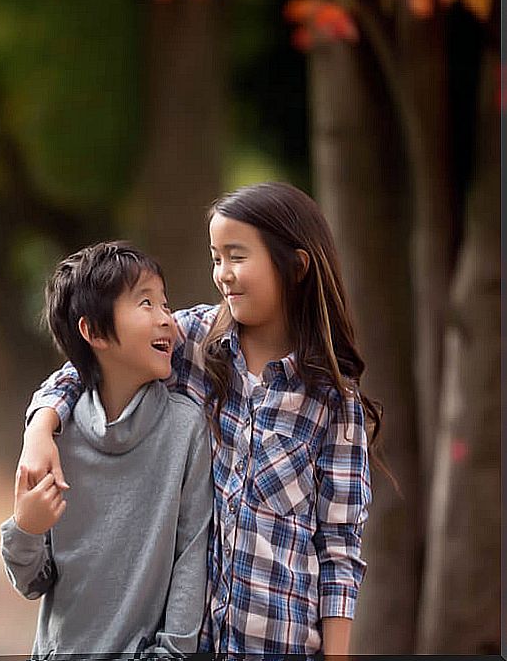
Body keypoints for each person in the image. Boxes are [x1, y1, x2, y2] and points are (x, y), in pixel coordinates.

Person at [19, 182, 380, 657]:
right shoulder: (193, 341)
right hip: (191, 645)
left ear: (296, 266)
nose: (223, 275)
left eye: (237, 256)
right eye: (216, 259)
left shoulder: (333, 402)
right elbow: (88, 364)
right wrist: (40, 428)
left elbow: (339, 549)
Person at [0, 241, 213, 658]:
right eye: (146, 303)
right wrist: (26, 528)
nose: (167, 320)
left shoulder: (186, 428)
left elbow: (192, 554)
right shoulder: (55, 441)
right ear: (94, 332)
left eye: (164, 304)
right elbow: (31, 582)